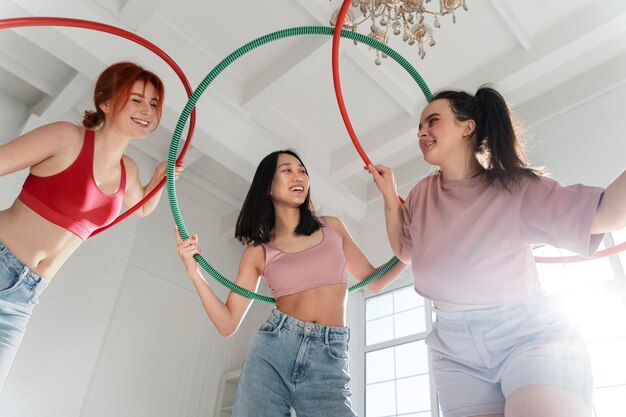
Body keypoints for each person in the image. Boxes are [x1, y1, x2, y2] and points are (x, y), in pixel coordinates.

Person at [367, 85, 626, 417]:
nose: (421, 132)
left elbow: (606, 213)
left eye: (432, 121)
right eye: (419, 127)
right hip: (453, 350)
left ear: (467, 127)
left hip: (528, 337)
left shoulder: (513, 187)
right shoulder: (420, 194)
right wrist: (389, 195)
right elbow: (405, 249)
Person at [175, 149, 406, 417]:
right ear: (268, 188)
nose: (299, 176)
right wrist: (194, 273)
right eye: (287, 170)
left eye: (302, 171)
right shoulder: (258, 252)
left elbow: (374, 282)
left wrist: (413, 249)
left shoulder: (332, 227)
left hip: (328, 355)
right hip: (274, 350)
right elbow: (228, 323)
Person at [0, 61, 183, 391]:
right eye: (137, 99)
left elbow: (141, 209)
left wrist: (160, 179)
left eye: (154, 104)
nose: (148, 110)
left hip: (25, 297)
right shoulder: (67, 137)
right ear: (107, 102)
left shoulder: (129, 171)